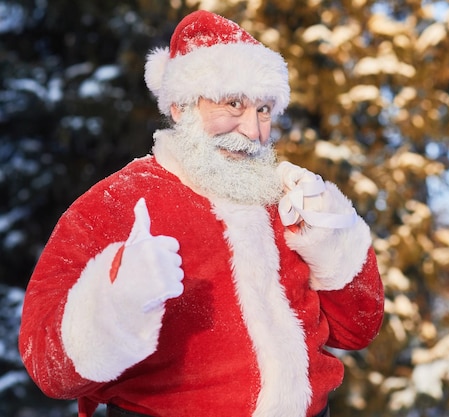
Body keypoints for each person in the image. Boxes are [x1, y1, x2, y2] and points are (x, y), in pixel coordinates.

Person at [18, 10, 384, 417]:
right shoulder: (116, 203)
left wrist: (335, 239)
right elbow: (47, 368)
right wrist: (114, 302)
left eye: (263, 109)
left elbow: (358, 330)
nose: (254, 130)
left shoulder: (288, 198)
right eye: (233, 104)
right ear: (180, 107)